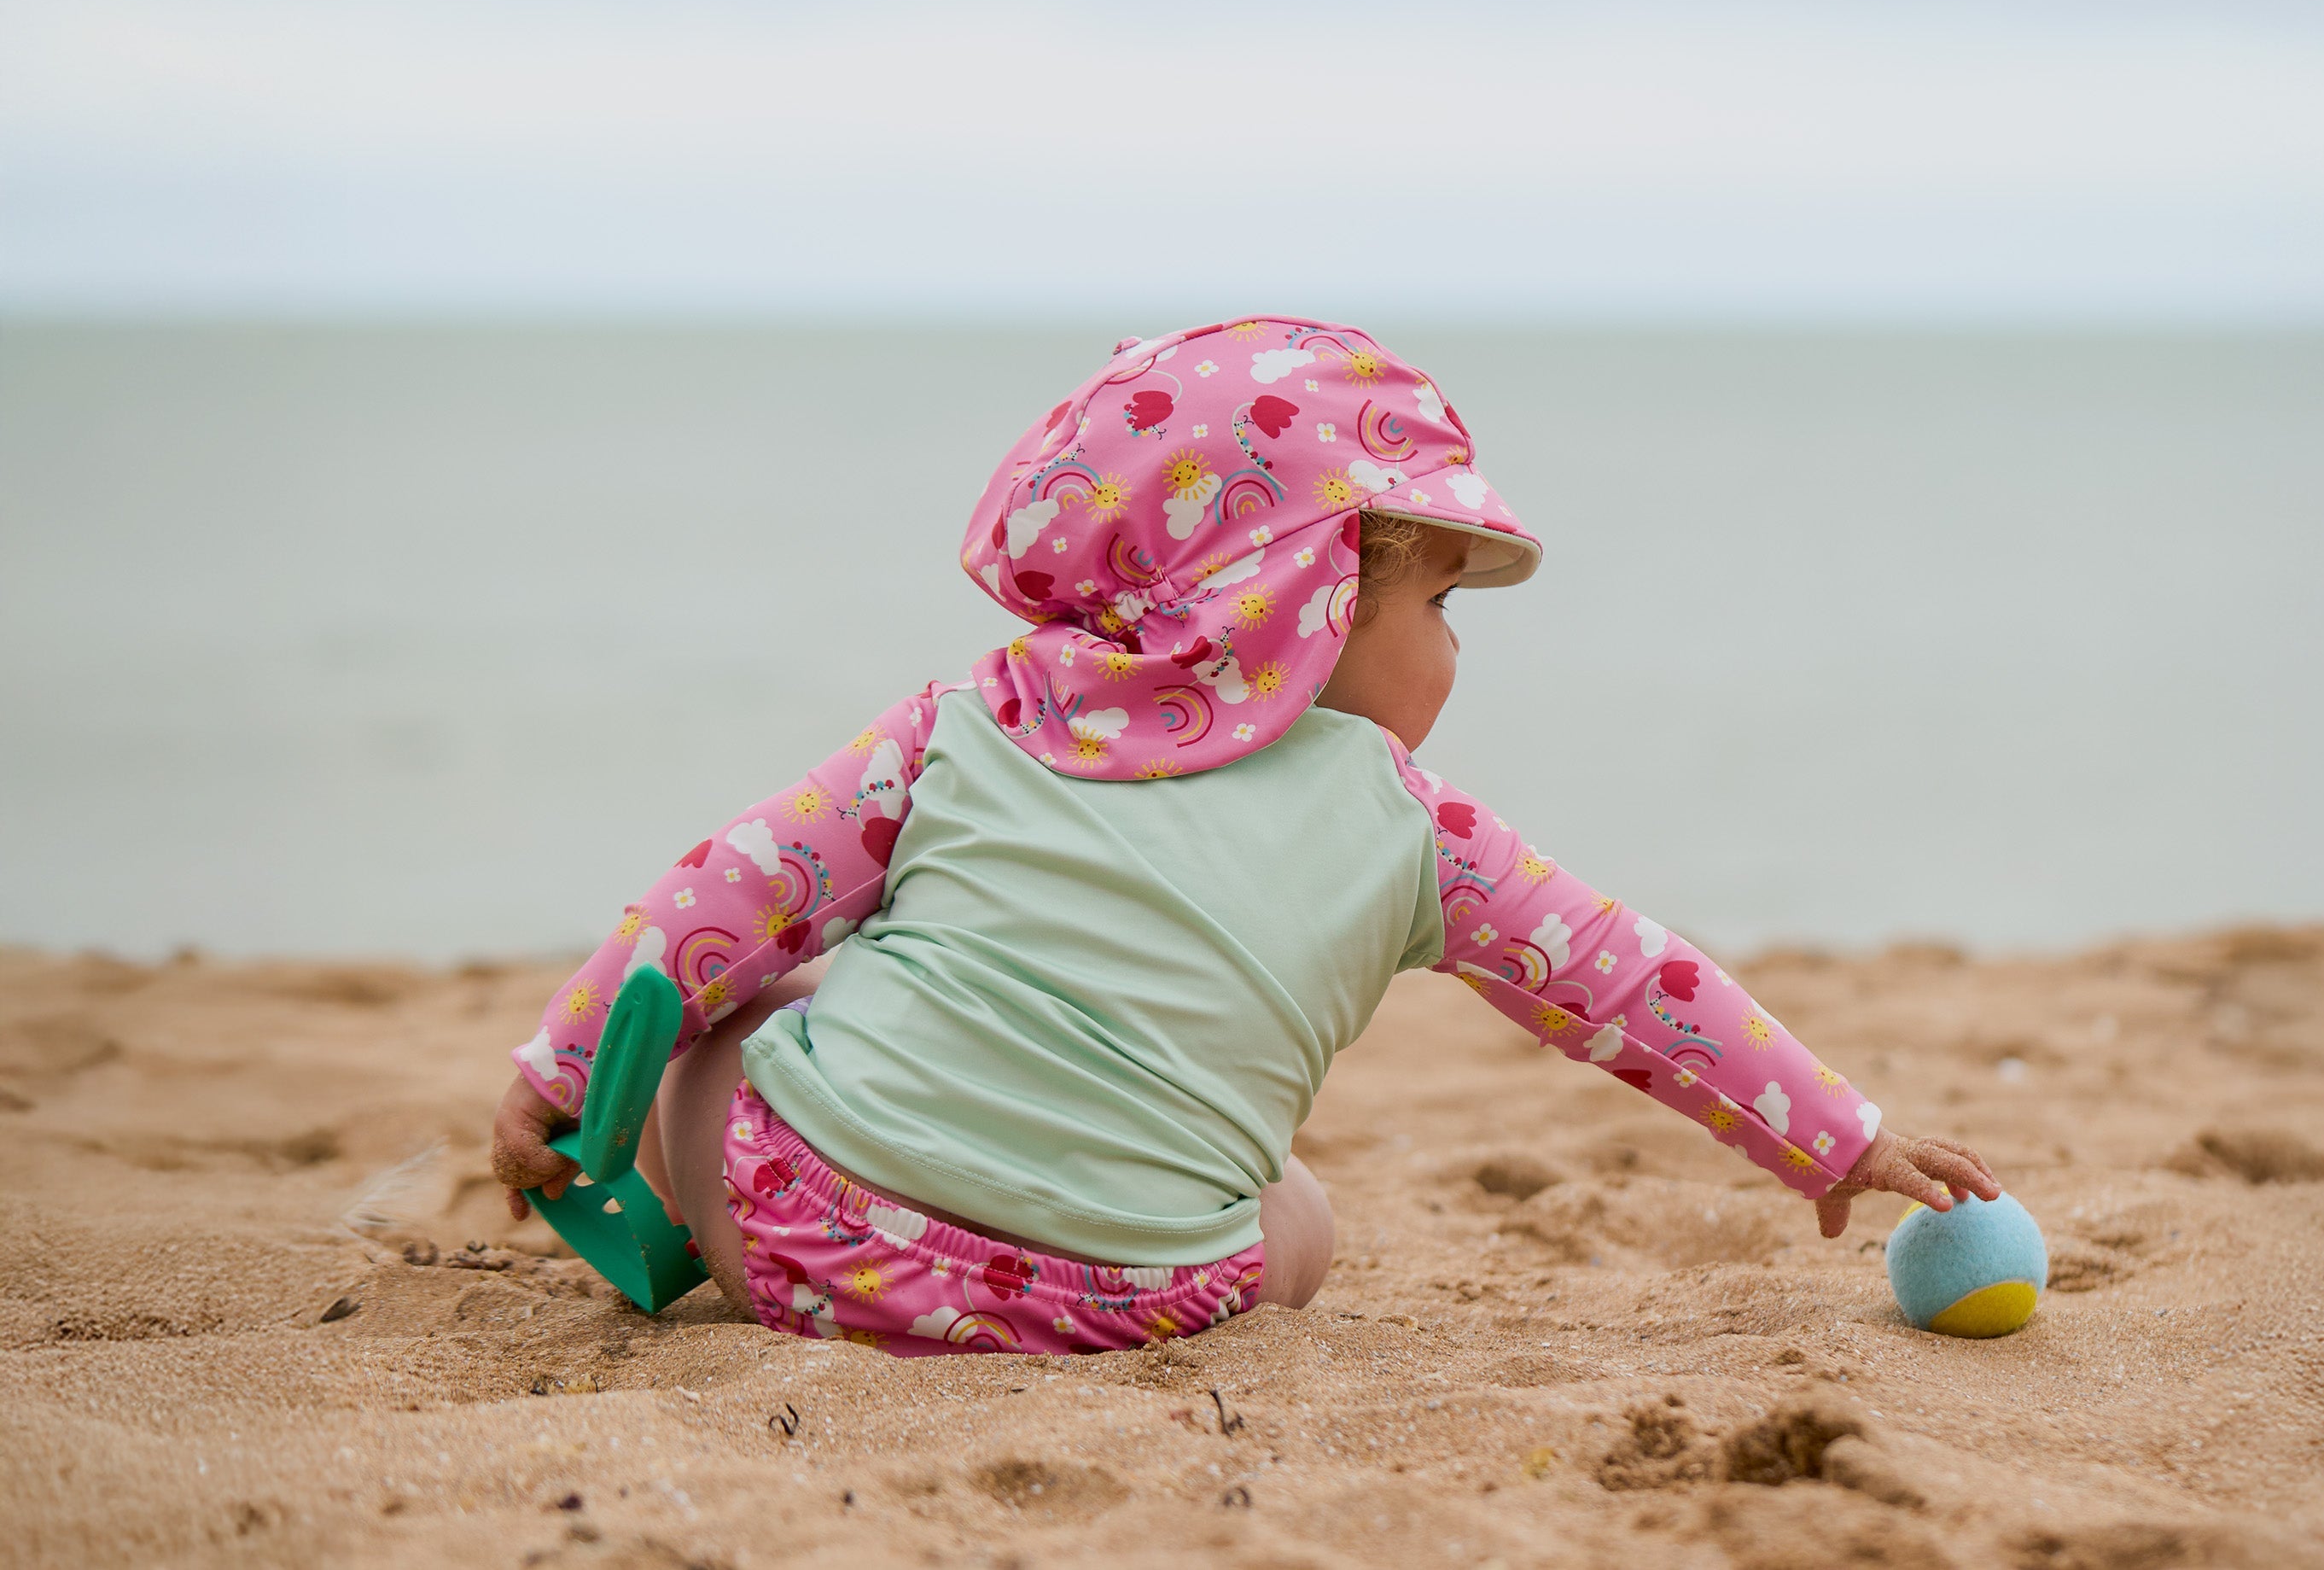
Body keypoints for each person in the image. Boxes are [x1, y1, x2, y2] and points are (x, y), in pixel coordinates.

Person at [490, 316, 2001, 1356]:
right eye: (1440, 603)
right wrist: (1836, 1137)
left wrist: (558, 1074)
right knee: (1299, 1212)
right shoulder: (1421, 831)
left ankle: (663, 1209)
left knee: (732, 1009)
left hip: (811, 1251)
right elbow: (1633, 984)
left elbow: (724, 893)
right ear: (1312, 601)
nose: (1457, 648)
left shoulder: (965, 725)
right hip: (1132, 1303)